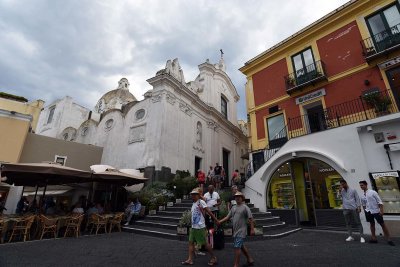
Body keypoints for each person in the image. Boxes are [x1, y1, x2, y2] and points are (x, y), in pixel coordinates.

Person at [181, 188, 219, 266]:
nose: (193, 196)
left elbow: (209, 211)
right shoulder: (194, 203)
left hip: (200, 227)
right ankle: (190, 259)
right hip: (194, 227)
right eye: (192, 195)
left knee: (205, 243)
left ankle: (214, 258)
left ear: (198, 195)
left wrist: (216, 220)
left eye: (195, 194)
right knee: (191, 243)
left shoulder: (201, 202)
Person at [218, 192, 255, 267]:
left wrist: (252, 229)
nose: (237, 198)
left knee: (237, 247)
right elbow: (227, 217)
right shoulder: (233, 207)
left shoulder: (245, 207)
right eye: (236, 197)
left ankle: (236, 265)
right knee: (241, 246)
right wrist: (219, 221)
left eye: (239, 196)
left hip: (241, 230)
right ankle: (250, 259)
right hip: (235, 230)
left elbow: (251, 219)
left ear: (242, 198)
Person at [359, 180, 395, 246]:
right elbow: (363, 204)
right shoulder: (362, 195)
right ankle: (374, 238)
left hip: (376, 211)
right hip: (368, 211)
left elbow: (379, 202)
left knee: (382, 224)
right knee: (372, 224)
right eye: (360, 185)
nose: (361, 186)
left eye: (362, 185)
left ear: (366, 185)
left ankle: (389, 239)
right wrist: (365, 211)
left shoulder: (373, 192)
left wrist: (381, 210)